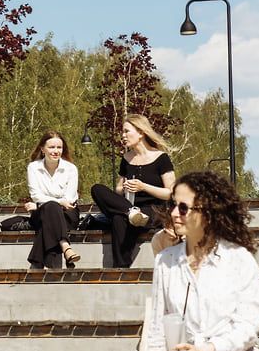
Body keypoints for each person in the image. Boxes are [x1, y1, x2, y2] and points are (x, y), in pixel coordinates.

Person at [112, 171, 259, 351]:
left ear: (207, 212)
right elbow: (155, 330)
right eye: (172, 204)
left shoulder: (238, 259)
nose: (174, 213)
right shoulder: (166, 261)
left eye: (183, 208)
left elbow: (247, 329)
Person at [90, 114, 175, 268]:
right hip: (129, 207)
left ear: (141, 133)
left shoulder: (161, 158)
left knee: (117, 218)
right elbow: (117, 189)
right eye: (122, 132)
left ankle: (120, 267)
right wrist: (125, 188)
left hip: (153, 210)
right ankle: (131, 213)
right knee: (97, 189)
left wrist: (143, 187)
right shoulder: (126, 158)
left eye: (126, 131)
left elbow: (170, 193)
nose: (123, 136)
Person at [23, 131, 80, 269]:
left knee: (49, 216)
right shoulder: (33, 168)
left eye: (59, 147)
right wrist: (58, 202)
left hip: (68, 213)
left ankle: (38, 263)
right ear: (42, 149)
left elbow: (70, 198)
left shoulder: (70, 169)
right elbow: (36, 195)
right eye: (51, 147)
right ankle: (65, 245)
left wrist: (40, 205)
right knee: (51, 208)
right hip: (44, 212)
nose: (56, 151)